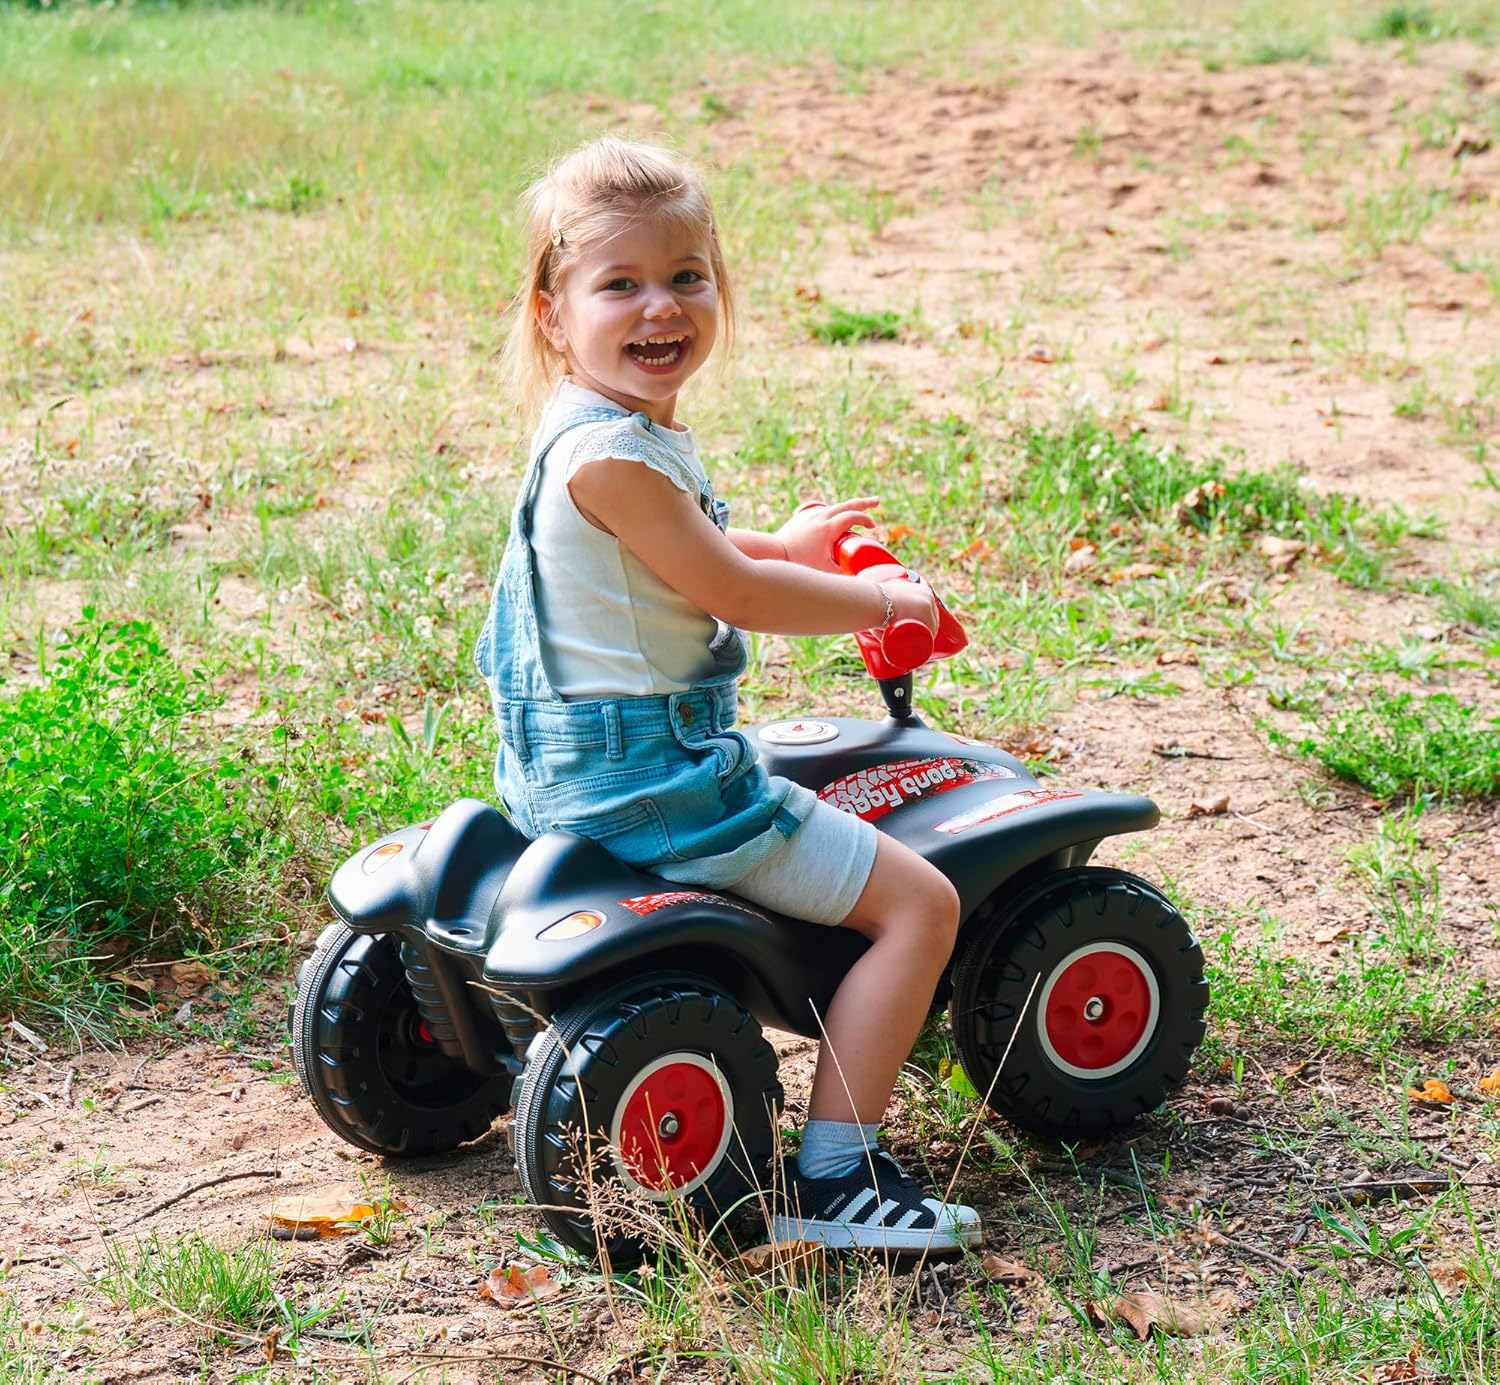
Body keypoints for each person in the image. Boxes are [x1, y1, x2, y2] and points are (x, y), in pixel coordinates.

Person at [475, 136, 980, 1252]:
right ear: (554, 313)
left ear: (718, 284)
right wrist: (877, 602)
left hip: (564, 768)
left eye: (686, 275)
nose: (661, 305)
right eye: (622, 284)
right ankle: (839, 1174)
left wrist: (790, 541)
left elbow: (682, 546)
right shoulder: (616, 455)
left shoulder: (588, 425)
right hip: (657, 783)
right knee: (921, 905)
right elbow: (734, 589)